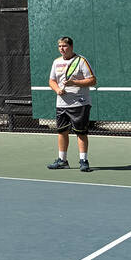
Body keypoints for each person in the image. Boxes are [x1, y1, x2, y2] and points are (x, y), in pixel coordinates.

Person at [47, 36, 97, 172]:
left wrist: (74, 82)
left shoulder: (81, 61)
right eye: (59, 46)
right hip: (62, 104)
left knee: (81, 133)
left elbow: (92, 80)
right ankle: (62, 160)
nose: (62, 49)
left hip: (80, 104)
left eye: (64, 46)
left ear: (71, 47)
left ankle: (83, 161)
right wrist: (57, 89)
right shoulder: (56, 62)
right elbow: (51, 81)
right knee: (62, 132)